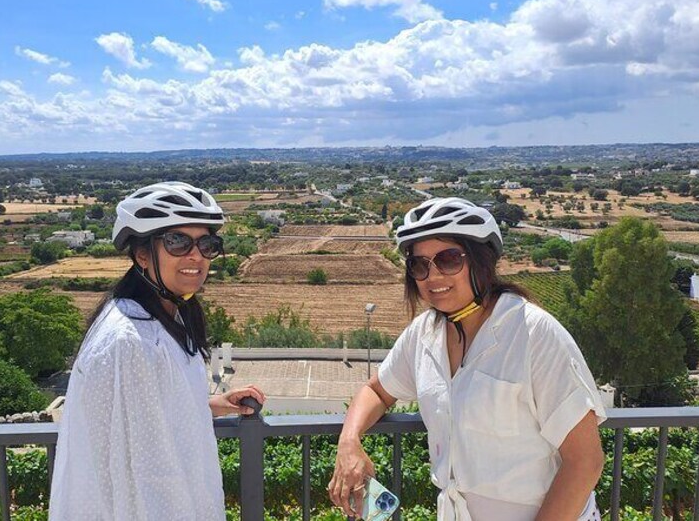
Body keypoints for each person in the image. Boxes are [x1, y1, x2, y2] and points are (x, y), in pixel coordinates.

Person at [328, 197, 606, 521]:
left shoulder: (533, 333)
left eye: (448, 259)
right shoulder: (424, 335)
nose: (433, 276)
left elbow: (585, 461)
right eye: (420, 265)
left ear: (481, 260)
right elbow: (376, 391)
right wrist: (349, 443)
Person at [50, 182, 265, 521]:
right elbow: (149, 479)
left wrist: (205, 405)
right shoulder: (132, 342)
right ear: (142, 254)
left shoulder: (161, 316)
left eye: (206, 244)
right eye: (177, 242)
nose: (195, 255)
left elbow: (142, 420)